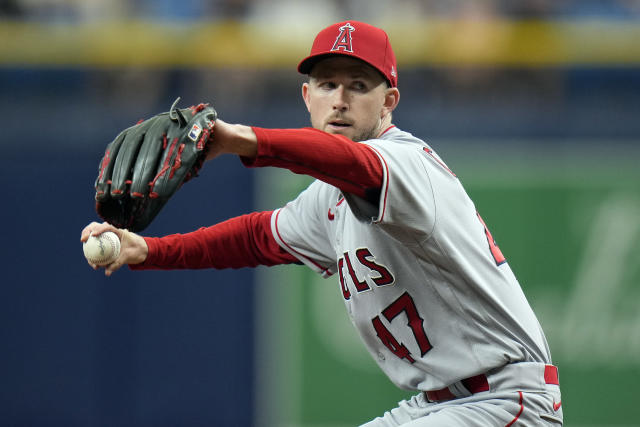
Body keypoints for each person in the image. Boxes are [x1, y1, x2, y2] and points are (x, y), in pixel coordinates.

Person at [81, 21, 563, 426]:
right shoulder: (327, 199)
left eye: (359, 85)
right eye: (328, 84)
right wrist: (147, 250)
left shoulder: (408, 163)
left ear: (389, 100)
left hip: (505, 400)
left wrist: (243, 138)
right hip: (441, 403)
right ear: (307, 96)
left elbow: (355, 166)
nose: (340, 100)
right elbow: (256, 238)